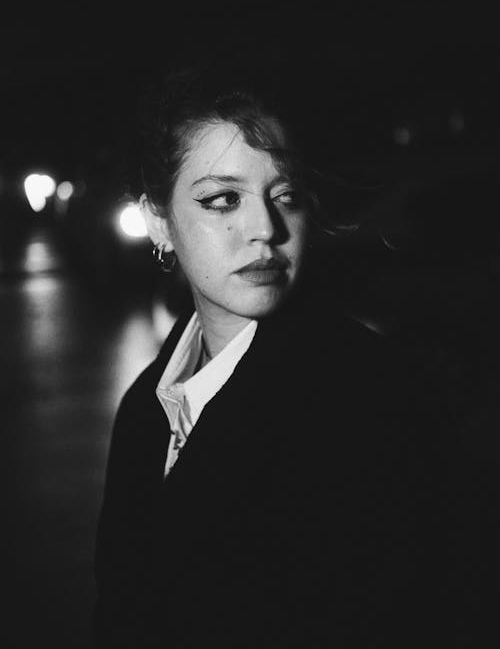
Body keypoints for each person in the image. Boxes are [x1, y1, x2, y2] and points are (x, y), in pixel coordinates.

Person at [93, 64, 452, 648]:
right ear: (159, 219)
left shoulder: (372, 396)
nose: (265, 227)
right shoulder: (147, 403)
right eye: (222, 199)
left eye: (284, 195)